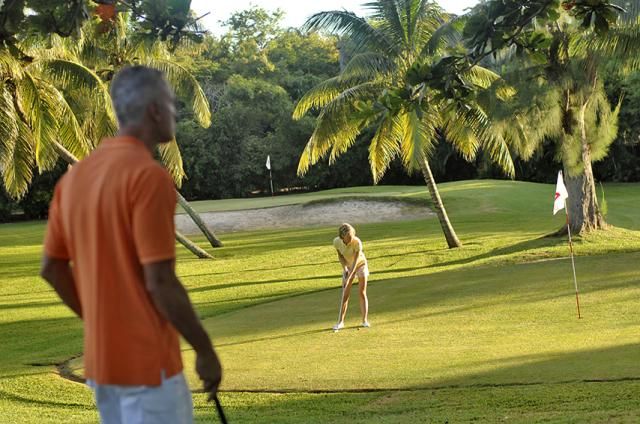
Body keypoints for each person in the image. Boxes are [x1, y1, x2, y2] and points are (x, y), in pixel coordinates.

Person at [40, 66, 222, 424]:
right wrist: (205, 351)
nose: (174, 111)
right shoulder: (148, 176)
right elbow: (160, 281)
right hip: (149, 367)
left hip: (104, 366)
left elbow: (52, 268)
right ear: (154, 110)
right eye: (170, 102)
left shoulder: (74, 178)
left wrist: (99, 319)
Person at [332, 223, 370, 331]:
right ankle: (340, 322)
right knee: (345, 294)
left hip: (360, 264)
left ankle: (364, 321)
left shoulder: (357, 242)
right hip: (348, 266)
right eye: (348, 236)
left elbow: (356, 260)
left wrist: (349, 277)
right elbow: (340, 256)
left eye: (351, 235)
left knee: (362, 292)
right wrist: (345, 269)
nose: (350, 238)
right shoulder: (336, 242)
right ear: (342, 236)